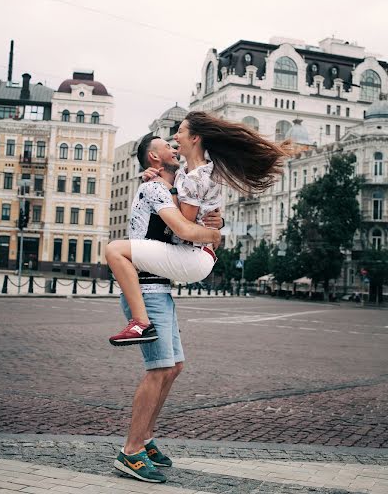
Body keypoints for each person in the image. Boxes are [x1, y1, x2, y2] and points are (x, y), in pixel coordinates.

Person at [106, 111, 290, 347]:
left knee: (114, 250)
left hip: (194, 256)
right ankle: (148, 323)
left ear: (195, 138)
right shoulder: (191, 172)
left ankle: (141, 322)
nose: (175, 137)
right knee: (173, 366)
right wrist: (154, 177)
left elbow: (184, 226)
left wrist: (214, 231)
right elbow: (195, 212)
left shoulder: (194, 177)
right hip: (200, 256)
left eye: (180, 131)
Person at [108, 134, 223, 484]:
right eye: (167, 146)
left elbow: (186, 233)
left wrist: (212, 224)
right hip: (145, 290)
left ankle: (145, 437)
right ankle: (130, 452)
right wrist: (213, 235)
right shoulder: (154, 189)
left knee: (173, 367)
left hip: (160, 289)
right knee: (158, 370)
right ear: (154, 157)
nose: (175, 149)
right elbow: (183, 230)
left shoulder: (169, 191)